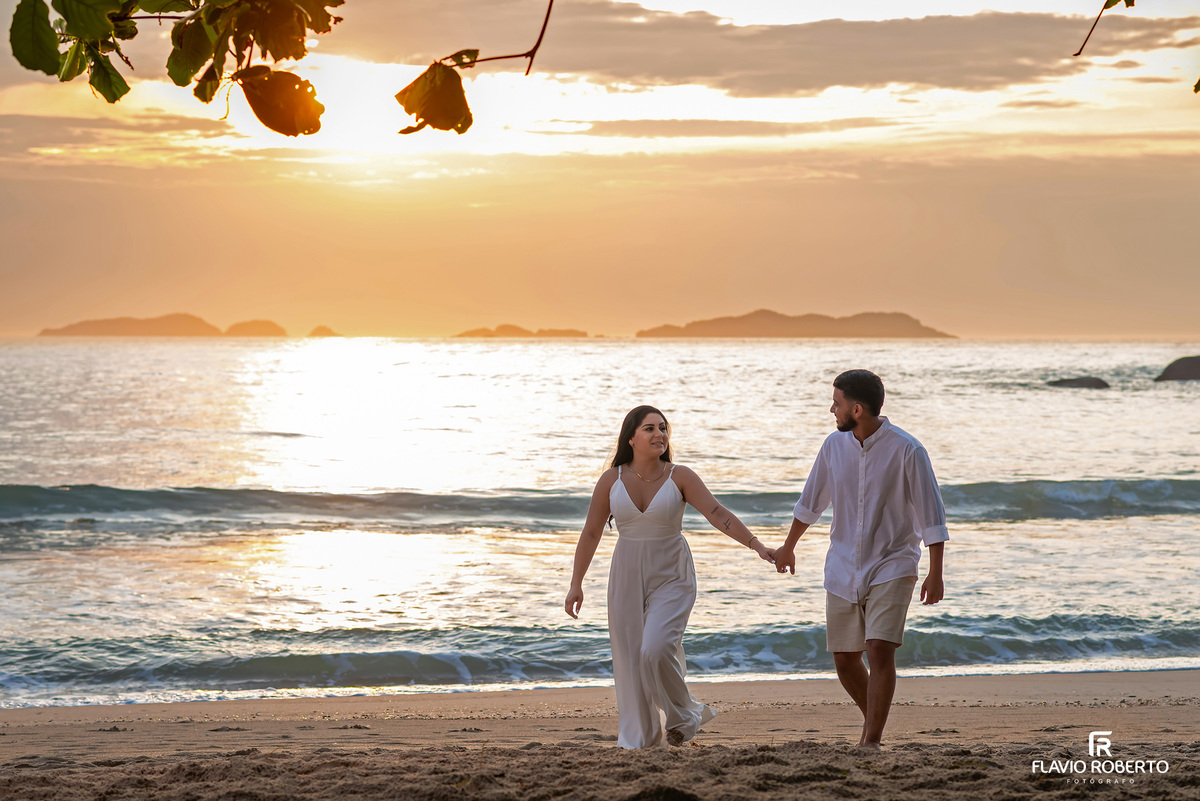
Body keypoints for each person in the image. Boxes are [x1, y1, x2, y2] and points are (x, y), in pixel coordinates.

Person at [564, 405, 774, 749]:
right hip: (626, 574)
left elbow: (717, 513)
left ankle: (685, 714)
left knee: (656, 648)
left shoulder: (681, 476)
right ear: (631, 437)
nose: (659, 434)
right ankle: (644, 738)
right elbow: (590, 534)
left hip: (673, 574)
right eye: (649, 428)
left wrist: (756, 545)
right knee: (632, 658)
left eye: (663, 428)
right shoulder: (611, 480)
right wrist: (576, 583)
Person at [771, 370, 947, 752]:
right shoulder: (833, 448)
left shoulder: (908, 450)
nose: (831, 409)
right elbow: (810, 502)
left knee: (879, 648)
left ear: (857, 408)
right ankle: (874, 720)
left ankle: (871, 740)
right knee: (845, 659)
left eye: (836, 403)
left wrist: (936, 572)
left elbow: (931, 512)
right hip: (842, 566)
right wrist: (789, 546)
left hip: (893, 561)